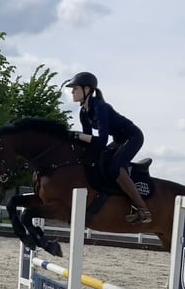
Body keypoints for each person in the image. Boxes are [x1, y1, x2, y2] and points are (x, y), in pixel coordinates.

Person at [64, 71, 152, 224]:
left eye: (75, 88)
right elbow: (90, 142)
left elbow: (102, 140)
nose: (72, 91)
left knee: (115, 168)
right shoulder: (83, 113)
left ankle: (143, 210)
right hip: (119, 139)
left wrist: (76, 136)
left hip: (133, 137)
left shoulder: (100, 107)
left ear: (87, 90)